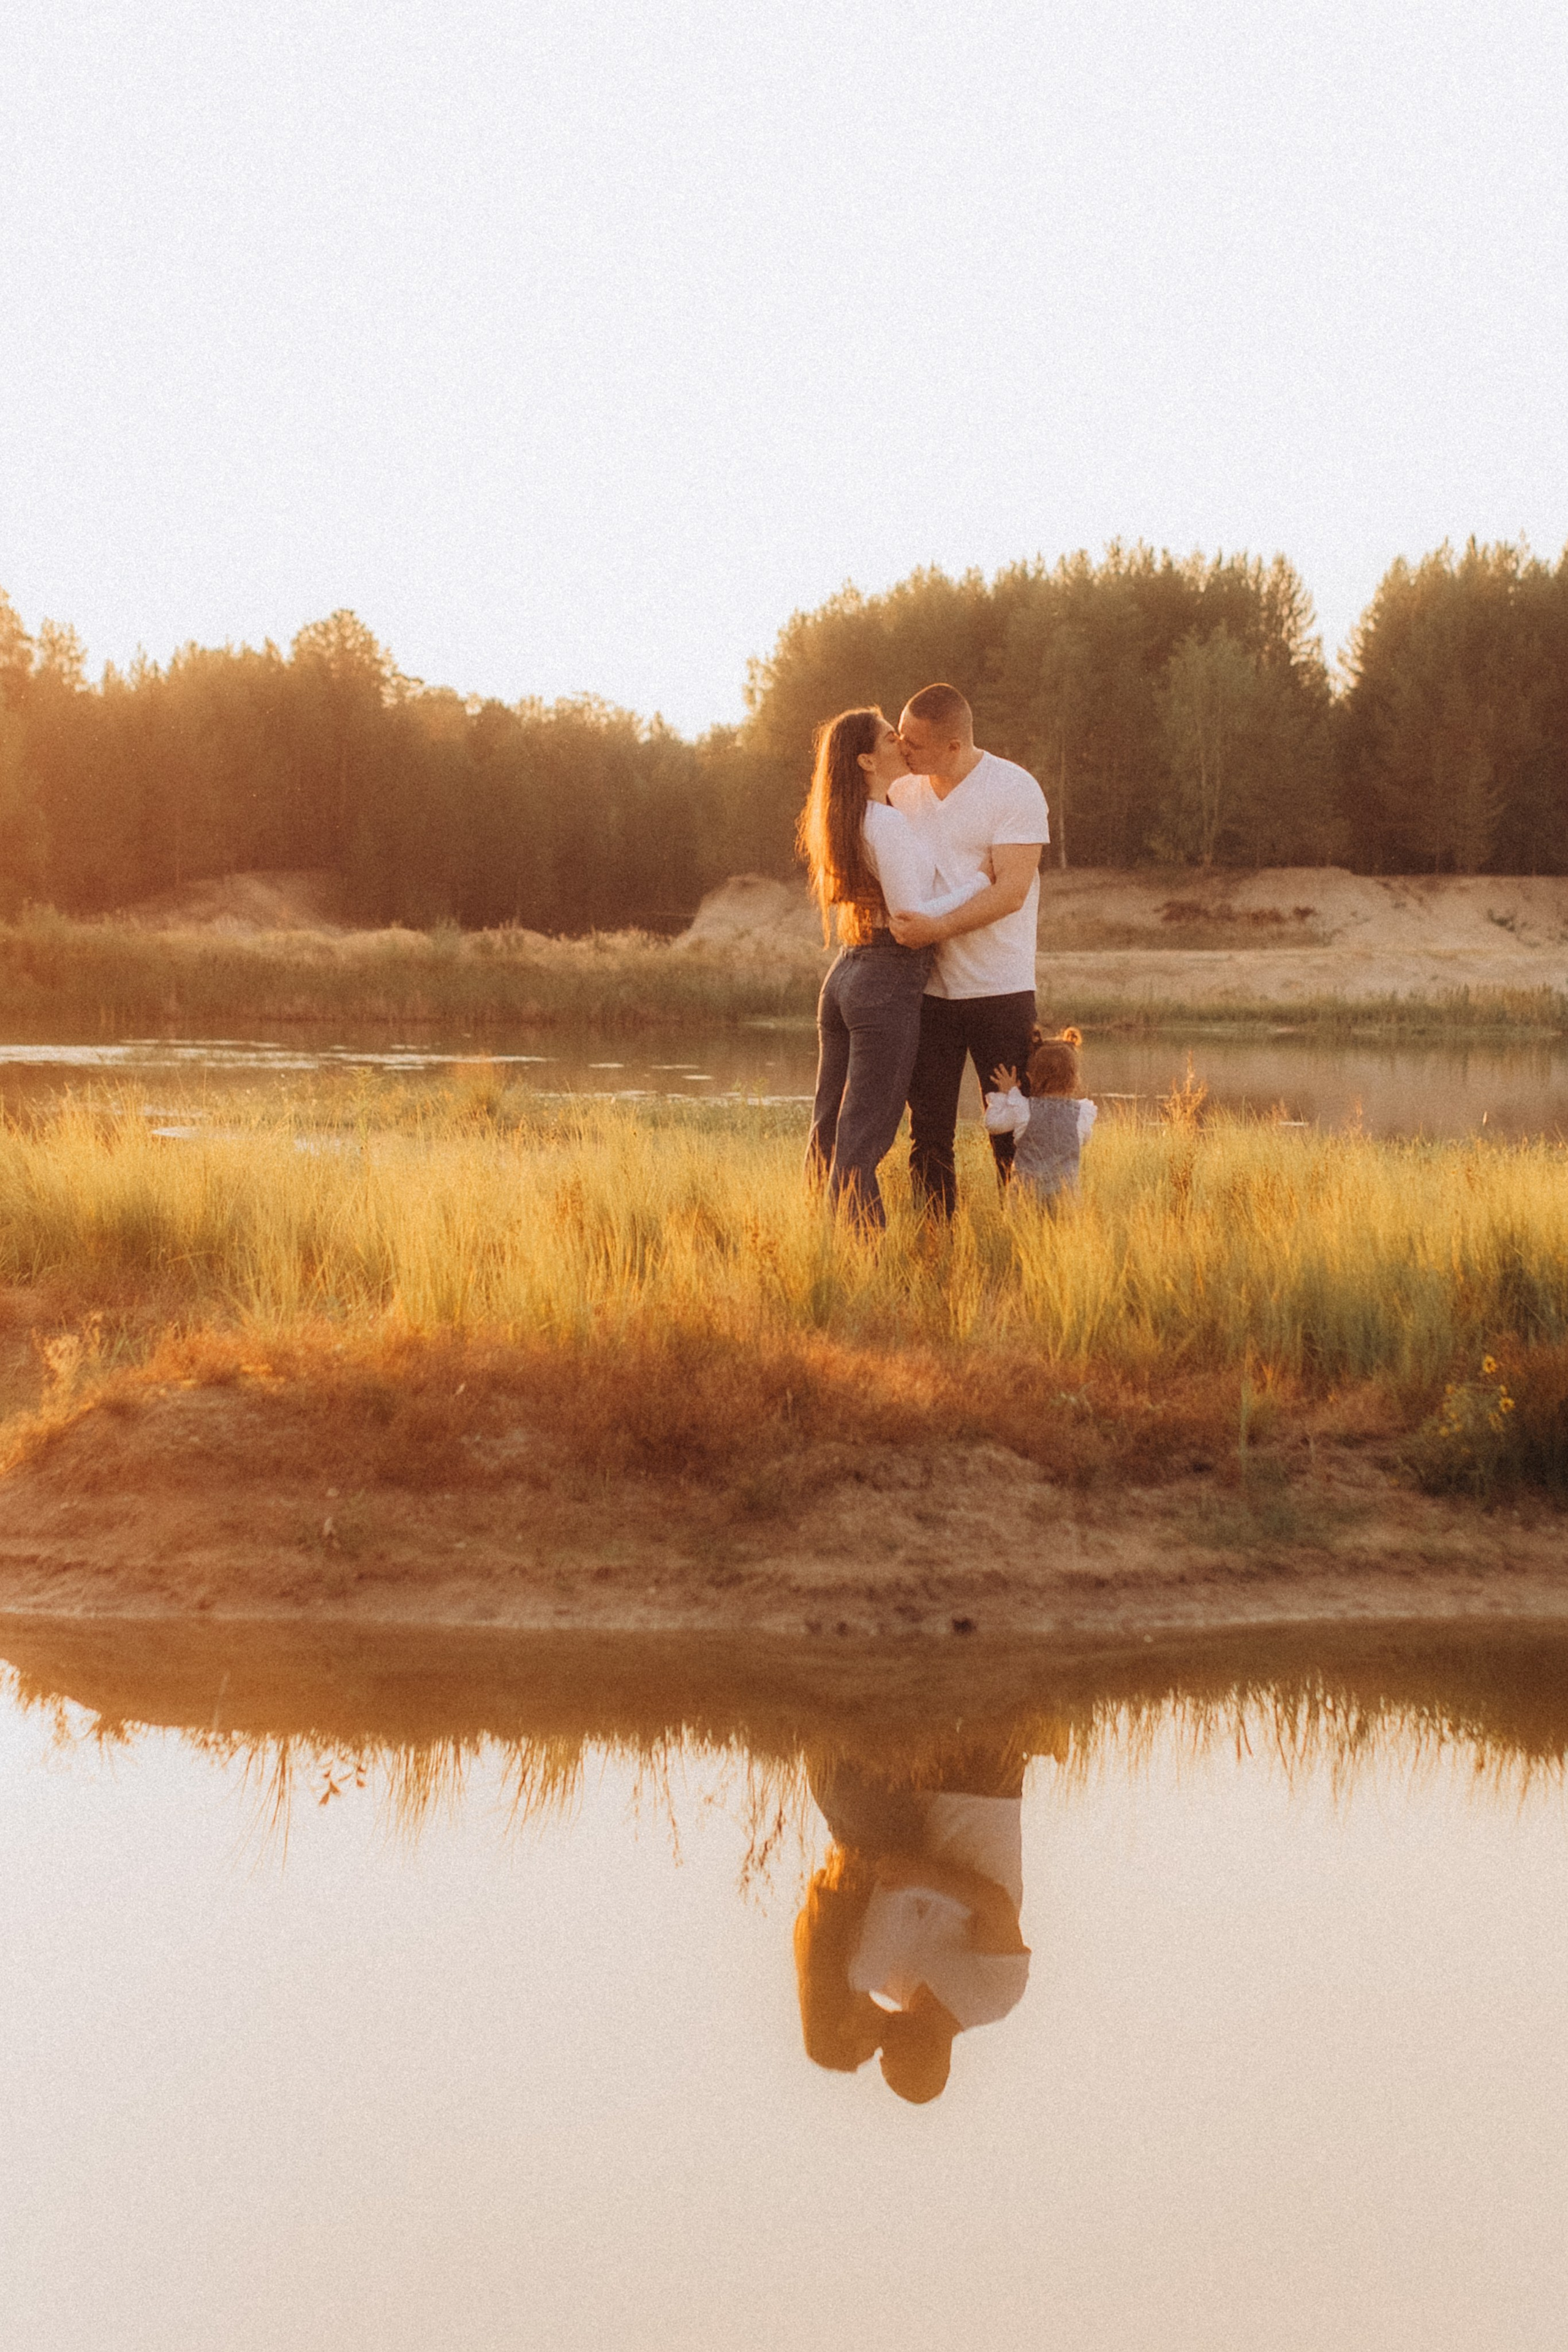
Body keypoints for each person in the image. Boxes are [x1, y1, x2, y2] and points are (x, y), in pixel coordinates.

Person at [798, 706, 987, 1228]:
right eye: (890, 738)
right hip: (885, 979)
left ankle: (819, 1241)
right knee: (865, 1134)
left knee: (829, 1127)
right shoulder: (887, 824)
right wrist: (980, 883)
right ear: (865, 759)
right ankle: (864, 1256)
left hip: (845, 974)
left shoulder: (844, 819)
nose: (903, 743)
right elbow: (910, 920)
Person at [886, 684, 1049, 1218]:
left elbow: (1011, 891)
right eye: (900, 738)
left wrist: (935, 928)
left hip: (999, 990)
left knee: (1013, 1130)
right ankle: (937, 1244)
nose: (902, 750)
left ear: (953, 746)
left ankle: (1030, 1244)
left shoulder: (1014, 789)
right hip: (927, 991)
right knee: (928, 1133)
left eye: (915, 743)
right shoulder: (903, 791)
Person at [793, 1750, 1030, 2105]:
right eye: (895, 2060)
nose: (884, 2053)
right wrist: (922, 1875)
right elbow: (995, 1905)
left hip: (913, 1789)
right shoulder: (993, 1997)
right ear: (931, 2056)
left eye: (883, 2060)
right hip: (985, 1791)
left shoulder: (884, 1978)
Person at [984, 1023, 1098, 1204]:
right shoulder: (1082, 1114)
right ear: (1075, 1078)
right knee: (1062, 1232)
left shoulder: (1024, 1109)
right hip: (1066, 1200)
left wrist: (1005, 1094)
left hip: (1025, 1199)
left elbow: (993, 1124)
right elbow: (1085, 1139)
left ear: (1031, 1078)